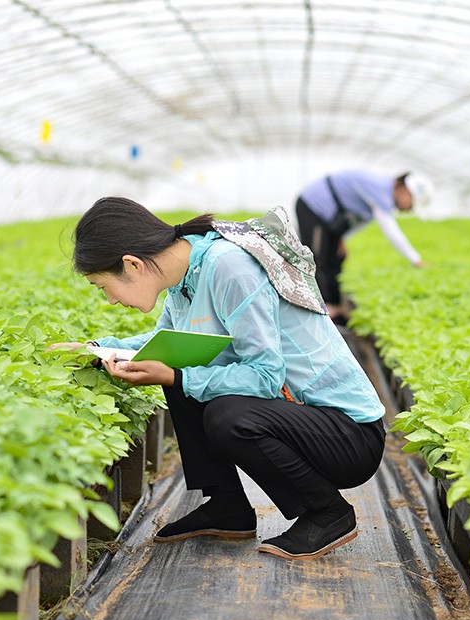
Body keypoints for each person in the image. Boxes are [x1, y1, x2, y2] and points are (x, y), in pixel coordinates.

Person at [63, 196, 386, 560]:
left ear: (132, 264)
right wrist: (95, 348)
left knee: (219, 410)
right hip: (302, 419)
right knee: (175, 365)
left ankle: (328, 513)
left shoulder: (228, 267)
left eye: (103, 286)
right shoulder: (186, 278)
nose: (110, 300)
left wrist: (176, 376)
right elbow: (163, 345)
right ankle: (227, 506)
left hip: (347, 435)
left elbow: (265, 376)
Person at [295, 169, 432, 324]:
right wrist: (416, 260)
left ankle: (334, 307)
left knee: (336, 258)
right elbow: (391, 231)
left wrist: (342, 238)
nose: (410, 209)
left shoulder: (382, 193)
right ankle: (319, 310)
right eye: (412, 204)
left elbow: (360, 220)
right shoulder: (380, 190)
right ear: (405, 191)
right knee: (318, 259)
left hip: (330, 219)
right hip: (313, 207)